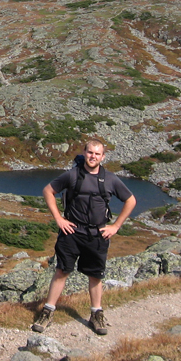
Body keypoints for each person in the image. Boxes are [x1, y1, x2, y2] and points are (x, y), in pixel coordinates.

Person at [31, 139, 136, 335]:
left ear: (103, 157)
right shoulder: (73, 175)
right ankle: (48, 312)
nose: (93, 156)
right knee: (62, 271)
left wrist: (116, 226)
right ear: (84, 153)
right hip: (71, 232)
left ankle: (96, 314)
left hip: (97, 234)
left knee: (95, 275)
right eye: (90, 153)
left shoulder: (111, 179)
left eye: (97, 154)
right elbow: (48, 190)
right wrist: (59, 219)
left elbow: (130, 200)